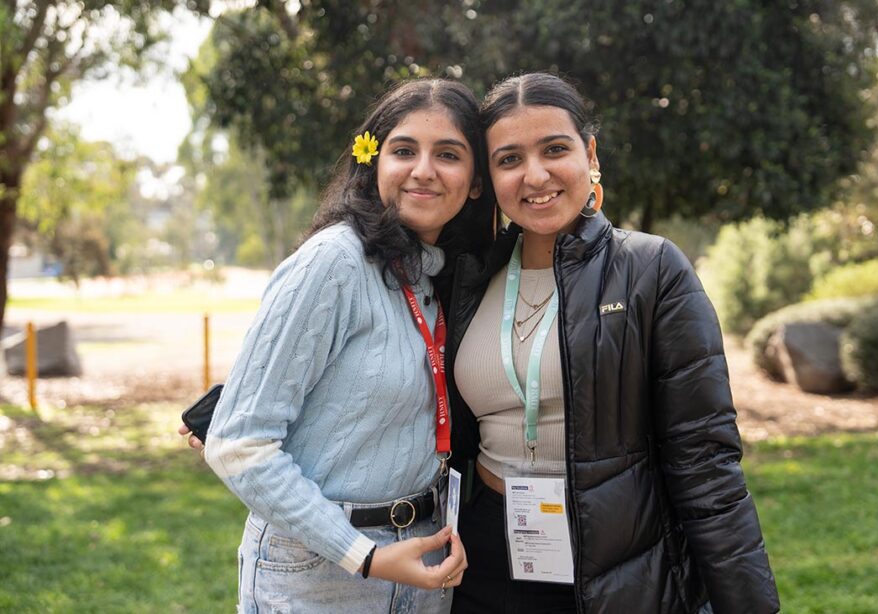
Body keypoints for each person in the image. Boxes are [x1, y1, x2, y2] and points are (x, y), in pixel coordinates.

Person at [444, 73, 780, 613]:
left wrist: (748, 604)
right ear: (489, 176)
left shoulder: (650, 269)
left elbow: (705, 461)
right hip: (482, 557)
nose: (535, 175)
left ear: (590, 153)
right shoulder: (468, 276)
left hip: (613, 563)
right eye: (509, 159)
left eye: (555, 149)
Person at [182, 78, 496, 613]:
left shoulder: (438, 276)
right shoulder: (336, 261)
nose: (423, 169)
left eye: (448, 154)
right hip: (319, 570)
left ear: (474, 183)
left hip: (422, 560)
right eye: (403, 150)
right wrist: (366, 556)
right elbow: (240, 443)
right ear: (373, 164)